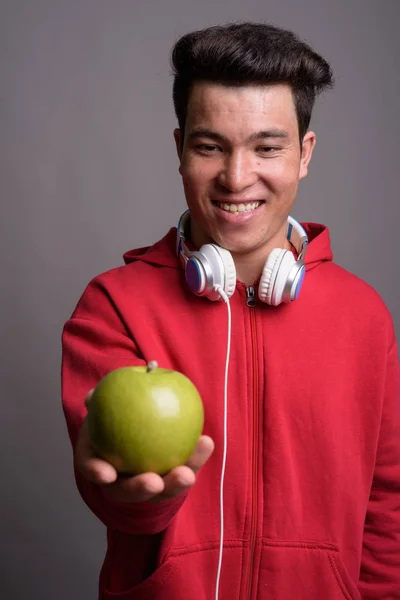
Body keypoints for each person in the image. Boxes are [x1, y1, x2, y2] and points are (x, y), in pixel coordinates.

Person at [61, 22, 400, 600]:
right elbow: (121, 502)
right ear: (179, 150)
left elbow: (387, 518)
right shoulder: (114, 306)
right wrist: (143, 497)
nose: (237, 177)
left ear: (304, 154)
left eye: (267, 147)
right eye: (210, 146)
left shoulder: (363, 316)